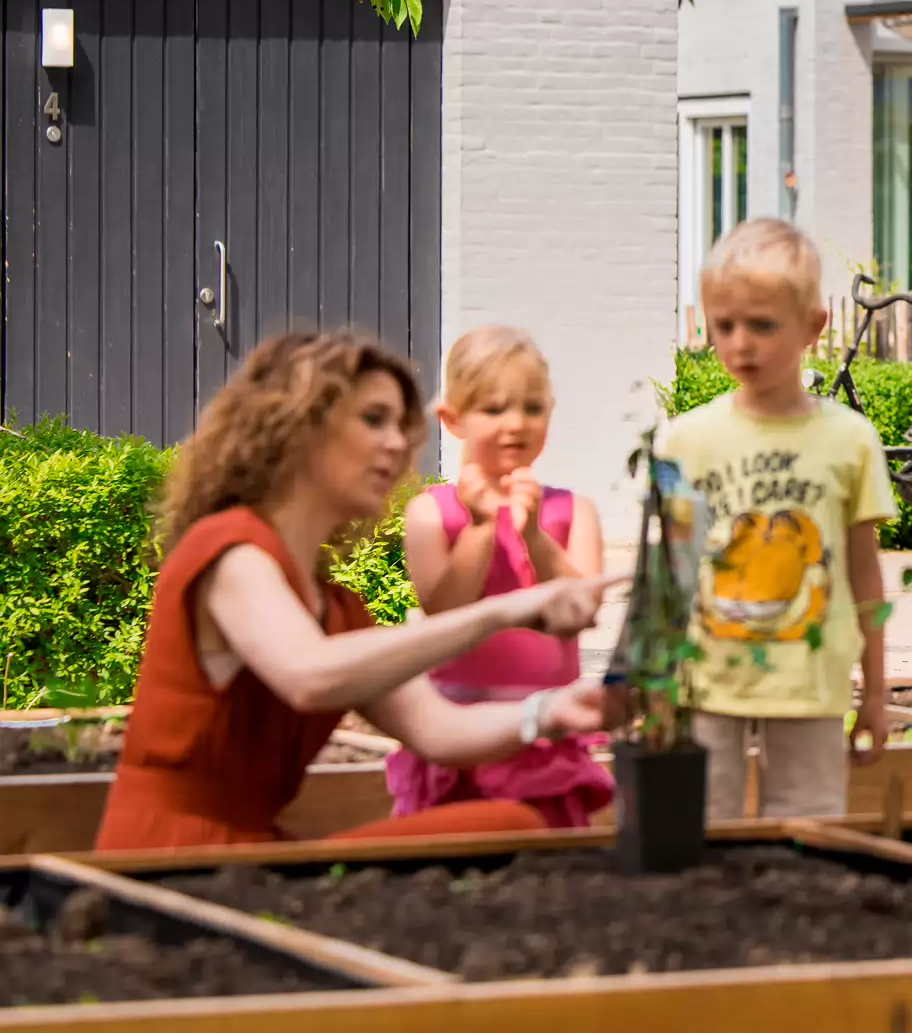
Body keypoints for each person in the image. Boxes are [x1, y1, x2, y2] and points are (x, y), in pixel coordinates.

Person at [96, 331, 622, 851]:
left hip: (255, 853)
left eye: (400, 425)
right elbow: (310, 675)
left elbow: (437, 730)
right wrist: (503, 611)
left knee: (513, 824)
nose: (397, 444)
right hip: (166, 857)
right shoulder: (230, 550)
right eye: (374, 420)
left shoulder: (338, 609)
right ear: (299, 426)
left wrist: (555, 711)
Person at [654, 217, 892, 819]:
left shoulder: (852, 440)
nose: (740, 344)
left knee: (808, 830)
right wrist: (655, 684)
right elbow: (670, 573)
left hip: (811, 681)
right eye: (724, 325)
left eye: (762, 325)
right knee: (702, 830)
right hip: (707, 682)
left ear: (813, 326)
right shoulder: (681, 442)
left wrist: (876, 694)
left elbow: (866, 576)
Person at [382, 327, 615, 828]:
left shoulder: (573, 511)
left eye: (532, 409)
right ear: (453, 419)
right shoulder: (431, 513)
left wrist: (532, 535)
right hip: (459, 730)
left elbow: (583, 610)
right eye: (494, 409)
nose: (516, 424)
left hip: (547, 733)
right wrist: (484, 526)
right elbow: (446, 610)